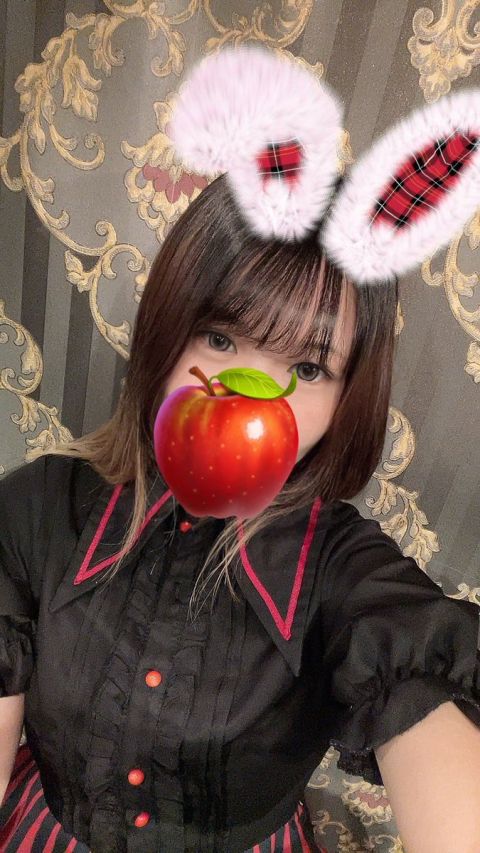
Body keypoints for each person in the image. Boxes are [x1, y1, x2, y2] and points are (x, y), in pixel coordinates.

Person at [1, 44, 480, 853]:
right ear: (168, 330)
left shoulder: (344, 573)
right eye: (221, 338)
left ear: (347, 396)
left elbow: (424, 701)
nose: (253, 394)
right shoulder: (37, 507)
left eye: (307, 368)